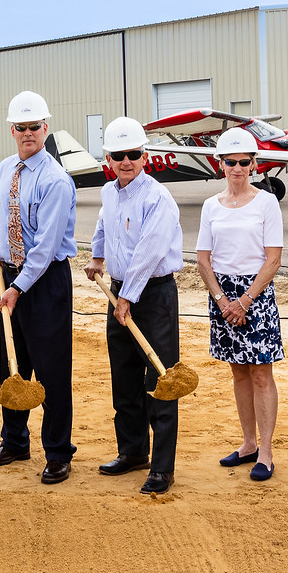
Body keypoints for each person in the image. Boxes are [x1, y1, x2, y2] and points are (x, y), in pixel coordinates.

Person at [85, 116, 184, 495]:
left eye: (134, 154)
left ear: (145, 156)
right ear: (108, 158)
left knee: (160, 380)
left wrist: (128, 296)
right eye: (118, 155)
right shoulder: (110, 193)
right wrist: (97, 258)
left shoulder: (157, 197)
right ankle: (132, 452)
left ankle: (162, 468)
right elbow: (102, 227)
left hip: (153, 296)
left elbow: (149, 250)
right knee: (124, 378)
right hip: (120, 292)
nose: (126, 161)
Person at [0, 89, 79, 484]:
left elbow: (45, 247)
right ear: (12, 130)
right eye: (21, 127)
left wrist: (18, 287)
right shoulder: (5, 169)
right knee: (13, 364)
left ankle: (58, 452)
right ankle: (15, 441)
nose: (28, 133)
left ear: (46, 127)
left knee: (51, 370)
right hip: (13, 277)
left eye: (34, 127)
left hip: (44, 282)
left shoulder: (55, 180)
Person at [195, 127, 285, 482]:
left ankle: (266, 450)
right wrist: (222, 300)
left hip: (256, 293)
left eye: (243, 162)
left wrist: (245, 300)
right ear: (221, 164)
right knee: (238, 371)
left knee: (261, 373)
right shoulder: (210, 206)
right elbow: (203, 259)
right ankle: (248, 443)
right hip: (222, 294)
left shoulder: (266, 202)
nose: (236, 168)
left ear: (254, 164)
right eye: (230, 162)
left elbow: (274, 259)